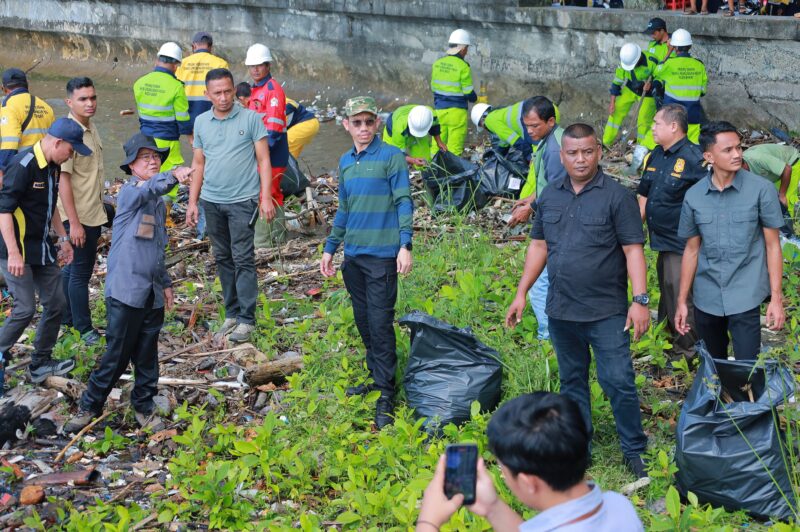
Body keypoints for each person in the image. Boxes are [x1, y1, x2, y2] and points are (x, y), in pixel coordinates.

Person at [506, 124, 650, 477]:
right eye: (573, 153)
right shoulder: (550, 195)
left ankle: (633, 448)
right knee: (572, 382)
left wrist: (640, 299)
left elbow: (633, 250)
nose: (581, 159)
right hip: (562, 309)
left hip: (606, 311)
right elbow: (539, 246)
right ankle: (579, 446)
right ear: (562, 156)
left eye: (587, 151)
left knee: (617, 380)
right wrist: (522, 292)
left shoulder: (617, 197)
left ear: (598, 152)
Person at [64, 133, 193, 432]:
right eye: (144, 157)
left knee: (148, 354)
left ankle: (144, 406)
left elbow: (156, 248)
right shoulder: (129, 194)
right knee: (116, 355)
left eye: (155, 157)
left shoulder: (158, 204)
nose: (152, 161)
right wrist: (173, 174)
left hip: (151, 293)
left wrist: (166, 282)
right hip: (126, 292)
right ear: (131, 166)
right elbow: (149, 189)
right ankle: (88, 406)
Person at [416, 393, 644, 532]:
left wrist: (428, 522)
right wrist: (492, 507)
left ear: (528, 482)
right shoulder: (619, 507)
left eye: (504, 471)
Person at [320, 96, 413, 429]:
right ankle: (377, 377)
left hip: (383, 257)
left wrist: (405, 245)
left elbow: (404, 201)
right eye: (356, 123)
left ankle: (387, 393)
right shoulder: (346, 161)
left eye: (368, 122)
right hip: (355, 257)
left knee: (380, 323)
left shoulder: (391, 157)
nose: (363, 128)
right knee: (363, 322)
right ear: (346, 125)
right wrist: (331, 248)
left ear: (377, 124)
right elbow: (344, 207)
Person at [676, 122, 785, 360]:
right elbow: (691, 251)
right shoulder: (694, 196)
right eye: (728, 150)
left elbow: (773, 245)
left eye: (739, 147)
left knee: (748, 368)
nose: (737, 154)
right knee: (713, 366)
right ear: (708, 156)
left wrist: (776, 299)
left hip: (746, 294)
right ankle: (719, 398)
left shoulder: (761, 189)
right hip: (707, 296)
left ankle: (747, 398)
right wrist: (683, 301)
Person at [0, 118, 92, 391]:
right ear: (57, 142)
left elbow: (50, 205)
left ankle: (40, 361)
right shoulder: (23, 165)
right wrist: (14, 253)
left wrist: (62, 238)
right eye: (70, 150)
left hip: (41, 247)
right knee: (25, 308)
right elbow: (4, 211)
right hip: (14, 250)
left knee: (56, 303)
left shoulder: (52, 165)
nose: (71, 155)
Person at [186, 68, 275, 344]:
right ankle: (231, 313)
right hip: (212, 201)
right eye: (217, 93)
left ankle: (247, 319)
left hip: (242, 200)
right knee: (223, 257)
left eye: (228, 91)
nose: (224, 97)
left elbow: (263, 160)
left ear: (234, 89)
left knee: (243, 258)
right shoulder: (201, 122)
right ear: (207, 94)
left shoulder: (250, 119)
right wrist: (192, 201)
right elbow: (198, 164)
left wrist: (266, 197)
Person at [637, 105, 706, 357]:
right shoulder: (656, 155)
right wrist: (633, 233)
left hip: (683, 244)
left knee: (682, 297)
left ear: (674, 126)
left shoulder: (694, 158)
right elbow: (643, 195)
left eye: (657, 123)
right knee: (667, 294)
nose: (652, 127)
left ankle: (686, 354)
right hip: (662, 241)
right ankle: (666, 347)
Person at [58, 77, 108, 346]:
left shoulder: (90, 126)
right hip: (78, 215)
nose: (90, 103)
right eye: (83, 99)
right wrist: (73, 224)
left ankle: (65, 317)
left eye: (93, 98)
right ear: (69, 102)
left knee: (73, 270)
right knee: (80, 272)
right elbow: (62, 180)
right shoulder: (69, 132)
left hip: (92, 210)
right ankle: (84, 328)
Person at [245, 43, 289, 246]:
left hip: (272, 153)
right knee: (270, 192)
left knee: (268, 192)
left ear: (268, 65)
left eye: (259, 65)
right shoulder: (256, 90)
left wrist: (259, 154)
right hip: (264, 152)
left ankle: (265, 242)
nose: (255, 69)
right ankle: (276, 237)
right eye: (252, 66)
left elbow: (273, 130)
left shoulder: (272, 90)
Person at [133, 42, 191, 172]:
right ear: (176, 65)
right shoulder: (176, 87)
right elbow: (183, 120)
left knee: (149, 173)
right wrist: (191, 137)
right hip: (167, 140)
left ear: (157, 60)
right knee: (170, 176)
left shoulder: (139, 83)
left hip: (145, 138)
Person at [651, 29, 707, 144]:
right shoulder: (699, 65)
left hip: (672, 114)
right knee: (694, 146)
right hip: (692, 113)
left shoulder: (669, 64)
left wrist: (668, 51)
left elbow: (656, 72)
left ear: (674, 47)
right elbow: (703, 91)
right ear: (690, 45)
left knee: (671, 144)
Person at [0, 68, 55, 183]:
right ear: (27, 85)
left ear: (3, 88)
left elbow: (10, 143)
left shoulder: (8, 107)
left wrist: (3, 173)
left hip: (21, 169)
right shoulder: (45, 106)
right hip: (44, 167)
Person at [430, 29, 477, 156]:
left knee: (437, 143)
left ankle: (433, 171)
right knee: (454, 147)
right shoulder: (463, 66)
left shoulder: (437, 64)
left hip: (439, 110)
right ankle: (451, 174)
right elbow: (468, 93)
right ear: (462, 49)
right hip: (457, 113)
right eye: (467, 48)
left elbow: (433, 88)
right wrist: (474, 97)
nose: (466, 51)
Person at [175, 31, 229, 141]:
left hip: (188, 115)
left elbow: (176, 91)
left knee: (196, 149)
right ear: (210, 47)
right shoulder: (220, 63)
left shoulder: (182, 63)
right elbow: (226, 92)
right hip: (212, 114)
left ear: (193, 46)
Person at [602, 43, 654, 149]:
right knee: (616, 111)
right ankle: (606, 142)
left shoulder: (652, 61)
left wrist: (651, 85)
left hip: (647, 93)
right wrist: (612, 102)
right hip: (630, 88)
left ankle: (641, 147)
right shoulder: (625, 61)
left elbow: (660, 79)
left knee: (644, 120)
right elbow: (616, 83)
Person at [742, 143, 800, 236]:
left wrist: (782, 195)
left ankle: (794, 234)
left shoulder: (757, 158)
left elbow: (787, 169)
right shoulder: (735, 169)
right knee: (773, 201)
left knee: (787, 202)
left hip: (791, 163)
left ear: (743, 165)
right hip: (776, 173)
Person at [639, 18, 670, 150]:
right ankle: (641, 148)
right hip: (651, 86)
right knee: (643, 117)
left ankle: (657, 147)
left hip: (664, 90)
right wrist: (647, 81)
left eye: (654, 32)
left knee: (662, 120)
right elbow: (650, 66)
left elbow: (669, 70)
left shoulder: (672, 47)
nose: (652, 35)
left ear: (662, 31)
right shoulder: (652, 45)